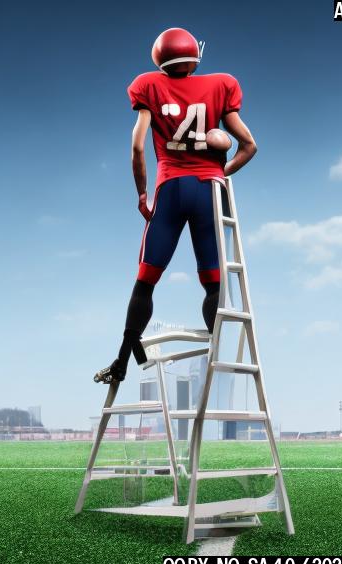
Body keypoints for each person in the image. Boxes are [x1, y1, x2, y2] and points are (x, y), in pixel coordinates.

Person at [94, 27, 258, 385]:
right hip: (208, 190)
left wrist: (141, 193)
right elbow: (249, 146)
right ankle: (216, 363)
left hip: (170, 188)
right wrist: (219, 173)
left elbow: (138, 147)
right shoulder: (221, 85)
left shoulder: (149, 85)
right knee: (214, 283)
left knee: (146, 280)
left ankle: (121, 361)